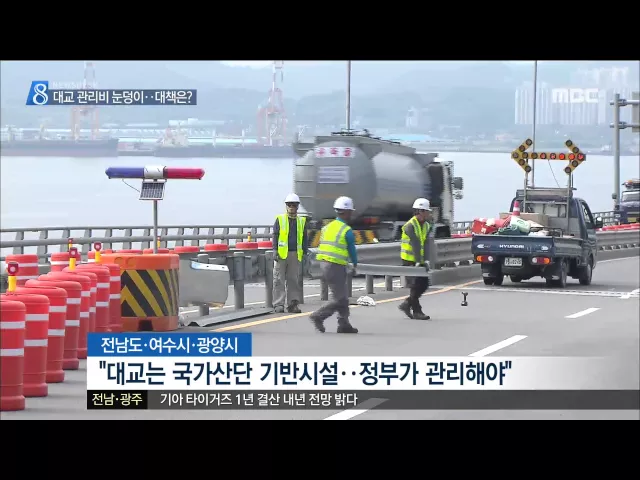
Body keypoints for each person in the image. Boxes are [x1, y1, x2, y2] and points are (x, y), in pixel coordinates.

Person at [309, 196, 359, 334]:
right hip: (335, 265)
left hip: (324, 264)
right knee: (340, 298)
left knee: (342, 295)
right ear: (347, 212)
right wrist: (355, 264)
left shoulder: (327, 227)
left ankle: (344, 324)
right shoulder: (346, 230)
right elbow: (352, 250)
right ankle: (318, 316)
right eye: (350, 211)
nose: (351, 214)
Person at [272, 193, 309, 313]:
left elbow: (304, 238)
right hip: (281, 254)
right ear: (286, 206)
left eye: (294, 205)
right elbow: (275, 235)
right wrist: (275, 250)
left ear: (297, 206)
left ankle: (293, 304)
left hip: (295, 254)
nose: (292, 207)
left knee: (293, 280)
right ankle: (278, 304)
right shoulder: (280, 219)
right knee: (279, 280)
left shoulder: (302, 221)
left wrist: (305, 253)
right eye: (289, 205)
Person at [398, 198, 433, 320]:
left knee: (424, 284)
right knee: (415, 285)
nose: (428, 214)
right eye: (427, 211)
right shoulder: (410, 226)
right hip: (409, 260)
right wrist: (418, 261)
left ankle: (406, 304)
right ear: (420, 211)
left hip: (420, 260)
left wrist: (426, 260)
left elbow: (426, 243)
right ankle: (417, 311)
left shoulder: (427, 225)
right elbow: (415, 243)